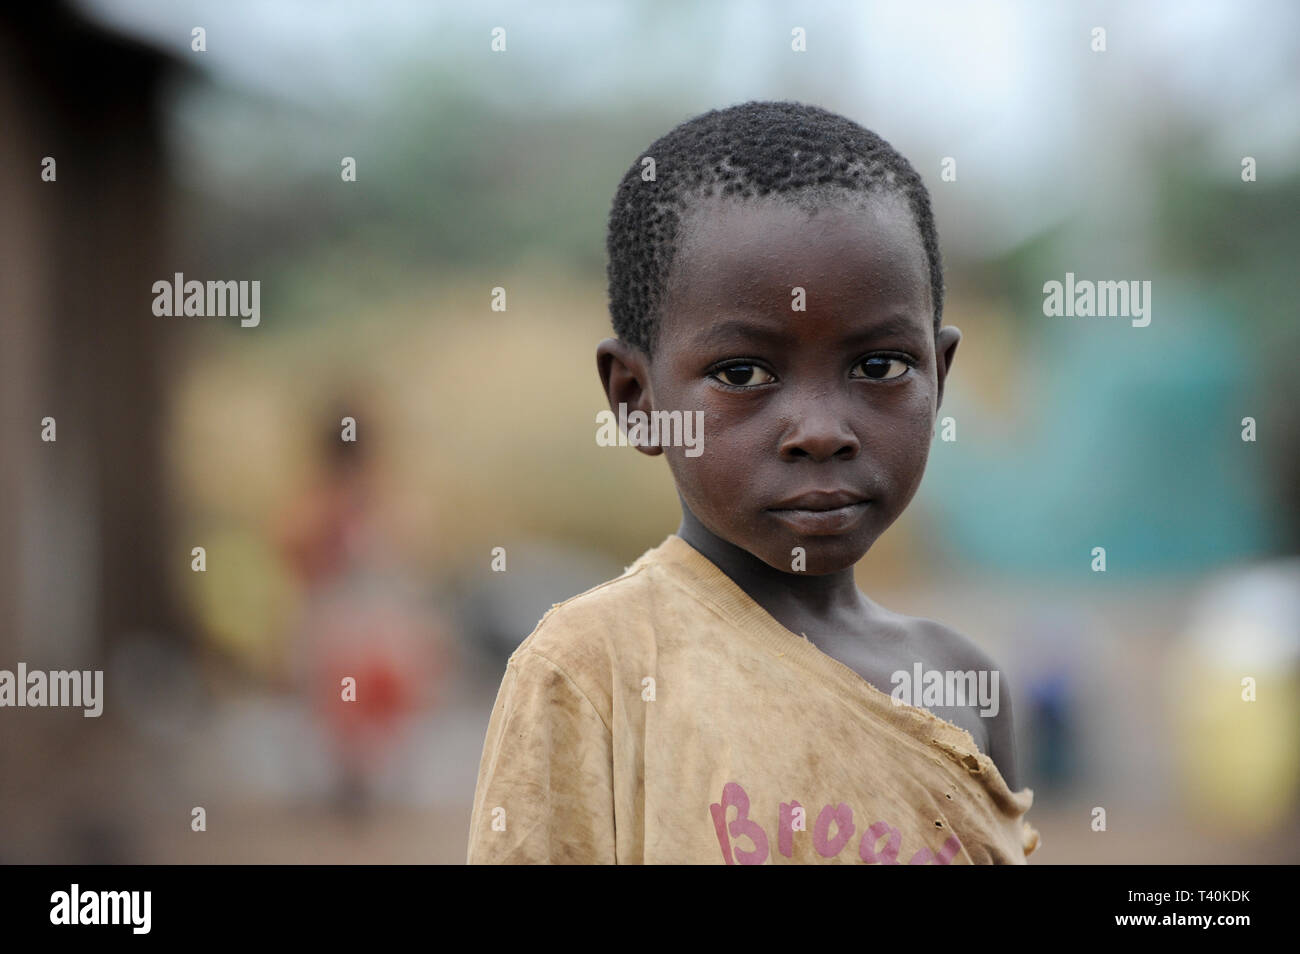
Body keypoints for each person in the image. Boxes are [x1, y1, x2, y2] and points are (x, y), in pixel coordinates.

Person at [467, 101, 1039, 864]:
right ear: (637, 401)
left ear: (939, 375)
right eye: (742, 373)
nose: (821, 430)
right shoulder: (588, 672)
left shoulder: (963, 683)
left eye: (879, 367)